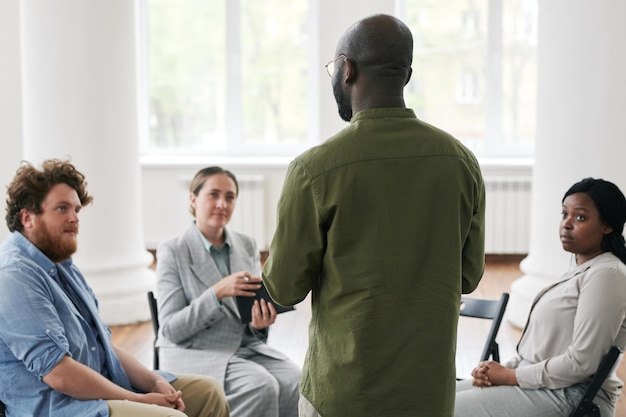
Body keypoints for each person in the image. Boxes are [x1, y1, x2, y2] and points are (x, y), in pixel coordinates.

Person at [262, 13, 486, 417]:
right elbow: (468, 276)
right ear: (407, 73)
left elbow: (283, 287)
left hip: (344, 393)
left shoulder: (314, 169)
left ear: (347, 69)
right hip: (428, 394)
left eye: (334, 67)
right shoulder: (461, 163)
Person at [0, 159, 230, 417]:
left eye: (76, 209)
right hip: (60, 407)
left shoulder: (62, 265)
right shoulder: (14, 275)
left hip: (99, 387)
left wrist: (153, 382)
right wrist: (137, 399)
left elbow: (103, 345)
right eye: (62, 209)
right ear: (27, 217)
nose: (75, 218)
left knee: (209, 392)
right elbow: (59, 374)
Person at [455, 177, 626, 417]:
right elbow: (544, 350)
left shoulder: (607, 274)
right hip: (545, 385)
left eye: (580, 217)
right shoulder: (585, 271)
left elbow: (581, 364)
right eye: (564, 214)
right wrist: (505, 369)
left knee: (441, 408)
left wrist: (510, 376)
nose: (566, 224)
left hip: (570, 394)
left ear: (608, 225)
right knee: (432, 398)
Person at [155, 166, 300, 417]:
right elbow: (170, 330)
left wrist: (259, 323)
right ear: (193, 199)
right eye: (213, 194)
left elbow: (249, 319)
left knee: (295, 380)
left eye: (230, 197)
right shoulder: (173, 251)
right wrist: (216, 294)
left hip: (243, 347)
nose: (222, 203)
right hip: (194, 351)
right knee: (261, 386)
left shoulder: (246, 244)